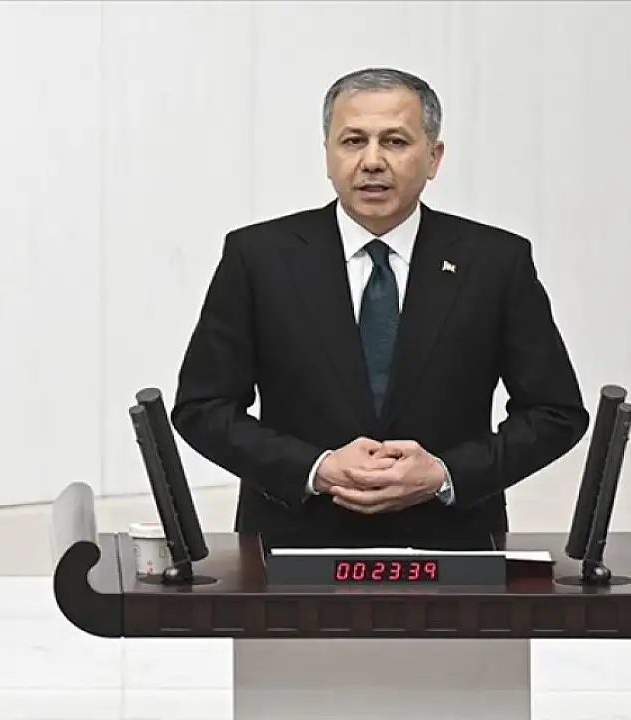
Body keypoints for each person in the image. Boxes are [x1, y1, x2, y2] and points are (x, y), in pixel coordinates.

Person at [170, 67, 588, 546]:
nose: (371, 161)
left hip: (452, 546)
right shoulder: (258, 258)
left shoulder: (495, 262)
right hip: (290, 547)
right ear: (327, 155)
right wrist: (315, 468)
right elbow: (203, 407)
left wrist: (446, 474)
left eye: (395, 141)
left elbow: (555, 413)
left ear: (433, 157)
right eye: (353, 141)